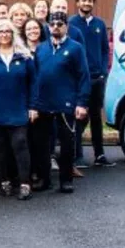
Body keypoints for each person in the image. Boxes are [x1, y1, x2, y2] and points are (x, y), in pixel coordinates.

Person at [0, 20, 38, 201]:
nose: (4, 34)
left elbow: (34, 83)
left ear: (13, 34)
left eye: (7, 31)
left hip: (19, 110)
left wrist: (33, 106)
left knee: (20, 144)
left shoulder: (25, 58)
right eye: (0, 32)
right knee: (0, 148)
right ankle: (4, 181)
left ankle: (25, 184)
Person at [32, 13, 89, 193]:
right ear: (48, 27)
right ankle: (45, 179)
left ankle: (66, 180)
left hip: (66, 104)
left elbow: (83, 76)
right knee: (42, 145)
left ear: (66, 26)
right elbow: (34, 78)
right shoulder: (41, 49)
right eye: (52, 24)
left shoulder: (75, 48)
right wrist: (33, 104)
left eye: (59, 24)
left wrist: (82, 103)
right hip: (43, 103)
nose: (55, 27)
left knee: (66, 144)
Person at [69, 0, 114, 169]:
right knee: (79, 117)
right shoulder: (72, 24)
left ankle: (99, 155)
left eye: (89, 1)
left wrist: (103, 71)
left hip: (97, 77)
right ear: (77, 2)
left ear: (93, 4)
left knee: (96, 117)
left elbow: (105, 49)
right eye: (83, 0)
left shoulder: (100, 24)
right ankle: (77, 155)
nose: (86, 3)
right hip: (79, 79)